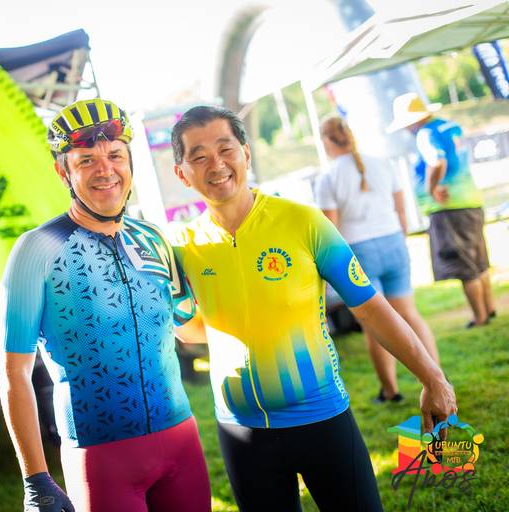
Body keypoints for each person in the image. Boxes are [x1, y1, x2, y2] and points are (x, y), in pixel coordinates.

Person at [170, 105, 457, 512]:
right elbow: (192, 329)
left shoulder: (304, 222)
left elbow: (371, 308)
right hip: (240, 430)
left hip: (321, 415)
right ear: (182, 173)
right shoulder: (183, 247)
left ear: (246, 153)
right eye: (198, 156)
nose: (216, 164)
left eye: (225, 149)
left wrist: (433, 378)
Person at [0, 98, 211, 512]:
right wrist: (35, 479)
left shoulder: (152, 239)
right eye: (86, 160)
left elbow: (189, 328)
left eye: (114, 155)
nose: (105, 169)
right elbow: (14, 372)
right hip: (100, 460)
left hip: (181, 443)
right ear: (63, 171)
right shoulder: (37, 250)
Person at [316, 116, 441, 403]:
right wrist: (400, 239)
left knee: (374, 326)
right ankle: (438, 382)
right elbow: (401, 210)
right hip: (394, 241)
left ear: (326, 141)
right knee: (409, 314)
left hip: (358, 253)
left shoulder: (328, 177)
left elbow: (331, 230)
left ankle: (390, 390)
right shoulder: (384, 164)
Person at [388, 92, 496, 327]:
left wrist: (432, 188)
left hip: (450, 208)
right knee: (478, 261)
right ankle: (489, 308)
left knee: (464, 265)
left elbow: (437, 161)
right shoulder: (448, 125)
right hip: (470, 200)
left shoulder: (426, 134)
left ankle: (479, 317)